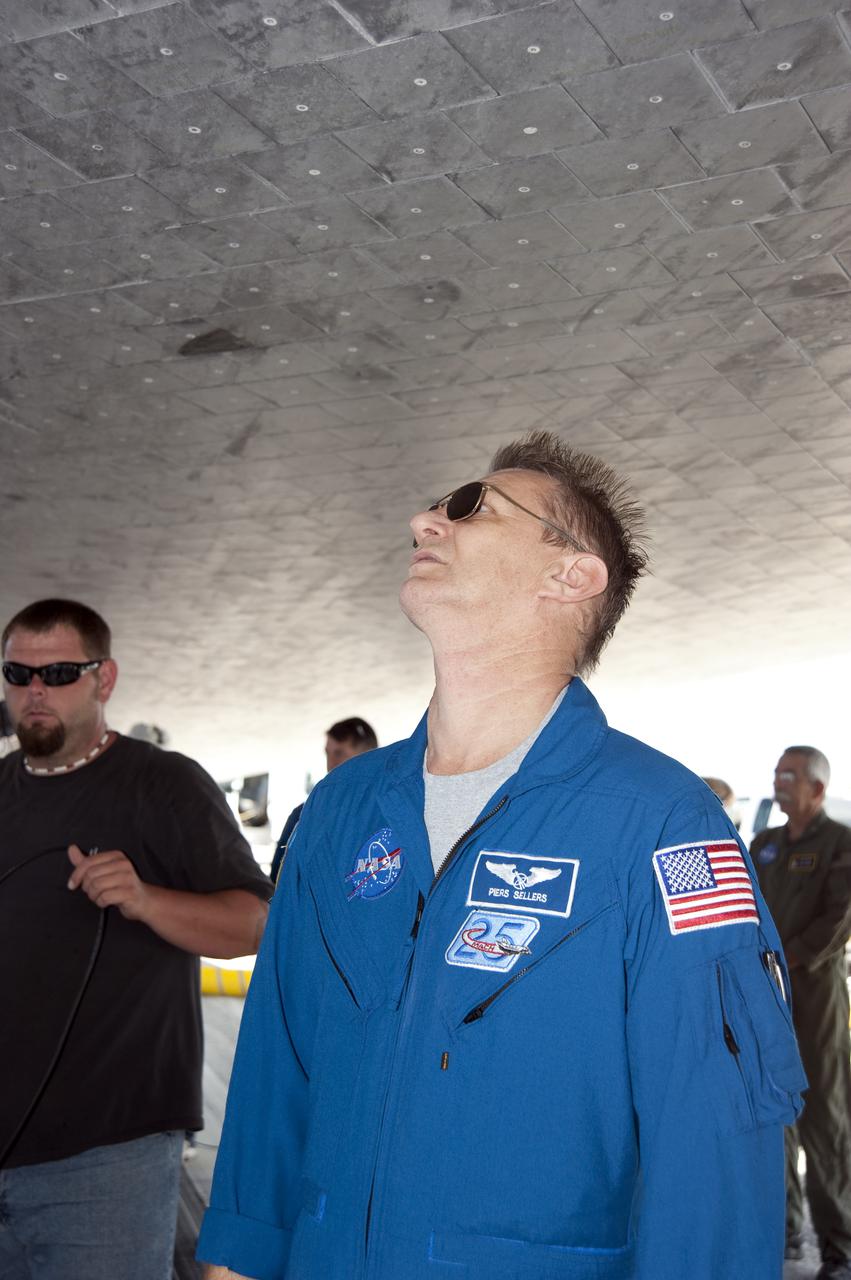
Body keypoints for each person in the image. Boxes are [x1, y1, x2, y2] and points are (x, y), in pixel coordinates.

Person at [198, 431, 805, 1280]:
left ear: (571, 575)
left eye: (469, 506)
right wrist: (235, 1259)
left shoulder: (663, 822)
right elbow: (274, 1063)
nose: (423, 520)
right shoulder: (341, 810)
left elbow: (711, 1140)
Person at [0, 598, 272, 1280]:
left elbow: (257, 924)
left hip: (107, 1158)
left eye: (59, 672)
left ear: (105, 680)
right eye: (17, 672)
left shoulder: (165, 784)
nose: (35, 690)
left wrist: (147, 900)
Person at [751, 747, 851, 1279]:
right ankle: (783, 1232)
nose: (778, 783)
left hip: (816, 1002)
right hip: (766, 1000)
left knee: (825, 1125)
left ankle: (839, 1249)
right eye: (776, 774)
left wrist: (781, 959)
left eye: (789, 776)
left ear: (816, 787)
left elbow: (839, 920)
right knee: (774, 1116)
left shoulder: (841, 844)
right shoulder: (763, 844)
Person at [268, 717, 377, 884]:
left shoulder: (390, 811)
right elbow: (278, 880)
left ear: (367, 756)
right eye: (328, 753)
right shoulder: (305, 815)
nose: (331, 763)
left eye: (339, 753)